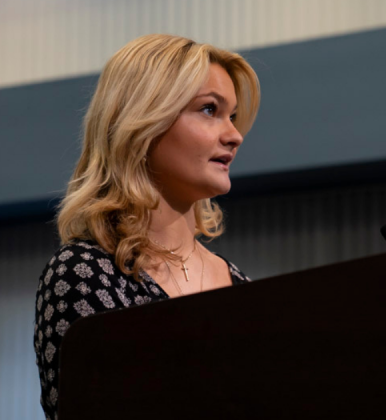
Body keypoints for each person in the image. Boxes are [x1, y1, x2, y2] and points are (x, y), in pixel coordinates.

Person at [33, 33, 260, 419]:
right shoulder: (82, 273)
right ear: (143, 121)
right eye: (209, 110)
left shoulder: (238, 281)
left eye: (233, 116)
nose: (235, 135)